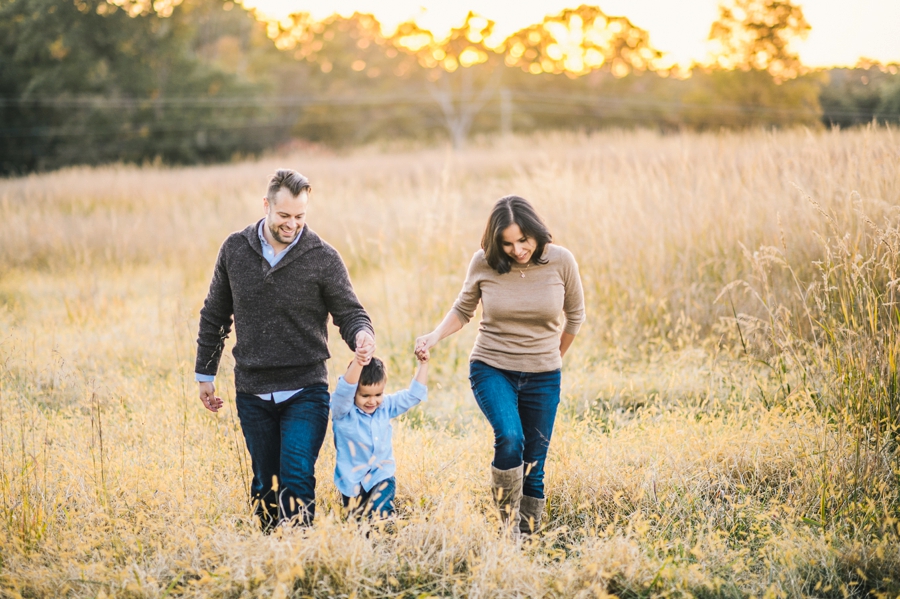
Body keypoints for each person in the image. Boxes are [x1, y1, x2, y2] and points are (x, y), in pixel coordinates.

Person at [194, 168, 375, 532]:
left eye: (300, 216)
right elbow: (215, 314)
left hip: (305, 388)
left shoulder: (322, 256)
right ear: (266, 205)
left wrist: (361, 335)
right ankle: (267, 553)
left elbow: (350, 312)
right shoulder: (235, 249)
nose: (292, 224)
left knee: (296, 477)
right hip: (252, 389)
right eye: (284, 216)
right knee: (265, 482)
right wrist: (205, 374)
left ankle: (298, 555)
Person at [415, 195, 584, 535]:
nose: (517, 250)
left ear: (535, 231)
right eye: (507, 243)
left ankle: (528, 536)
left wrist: (553, 357)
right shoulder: (484, 262)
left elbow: (575, 317)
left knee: (535, 461)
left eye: (523, 240)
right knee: (509, 437)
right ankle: (509, 529)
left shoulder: (561, 260)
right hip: (492, 366)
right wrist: (433, 337)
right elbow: (463, 310)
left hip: (544, 375)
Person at [330, 349, 429, 519]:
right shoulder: (343, 411)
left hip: (381, 474)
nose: (372, 401)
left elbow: (413, 396)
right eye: (365, 395)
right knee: (357, 523)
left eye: (378, 394)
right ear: (354, 392)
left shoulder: (385, 406)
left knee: (380, 514)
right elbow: (344, 390)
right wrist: (358, 361)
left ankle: (386, 534)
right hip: (351, 481)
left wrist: (423, 364)